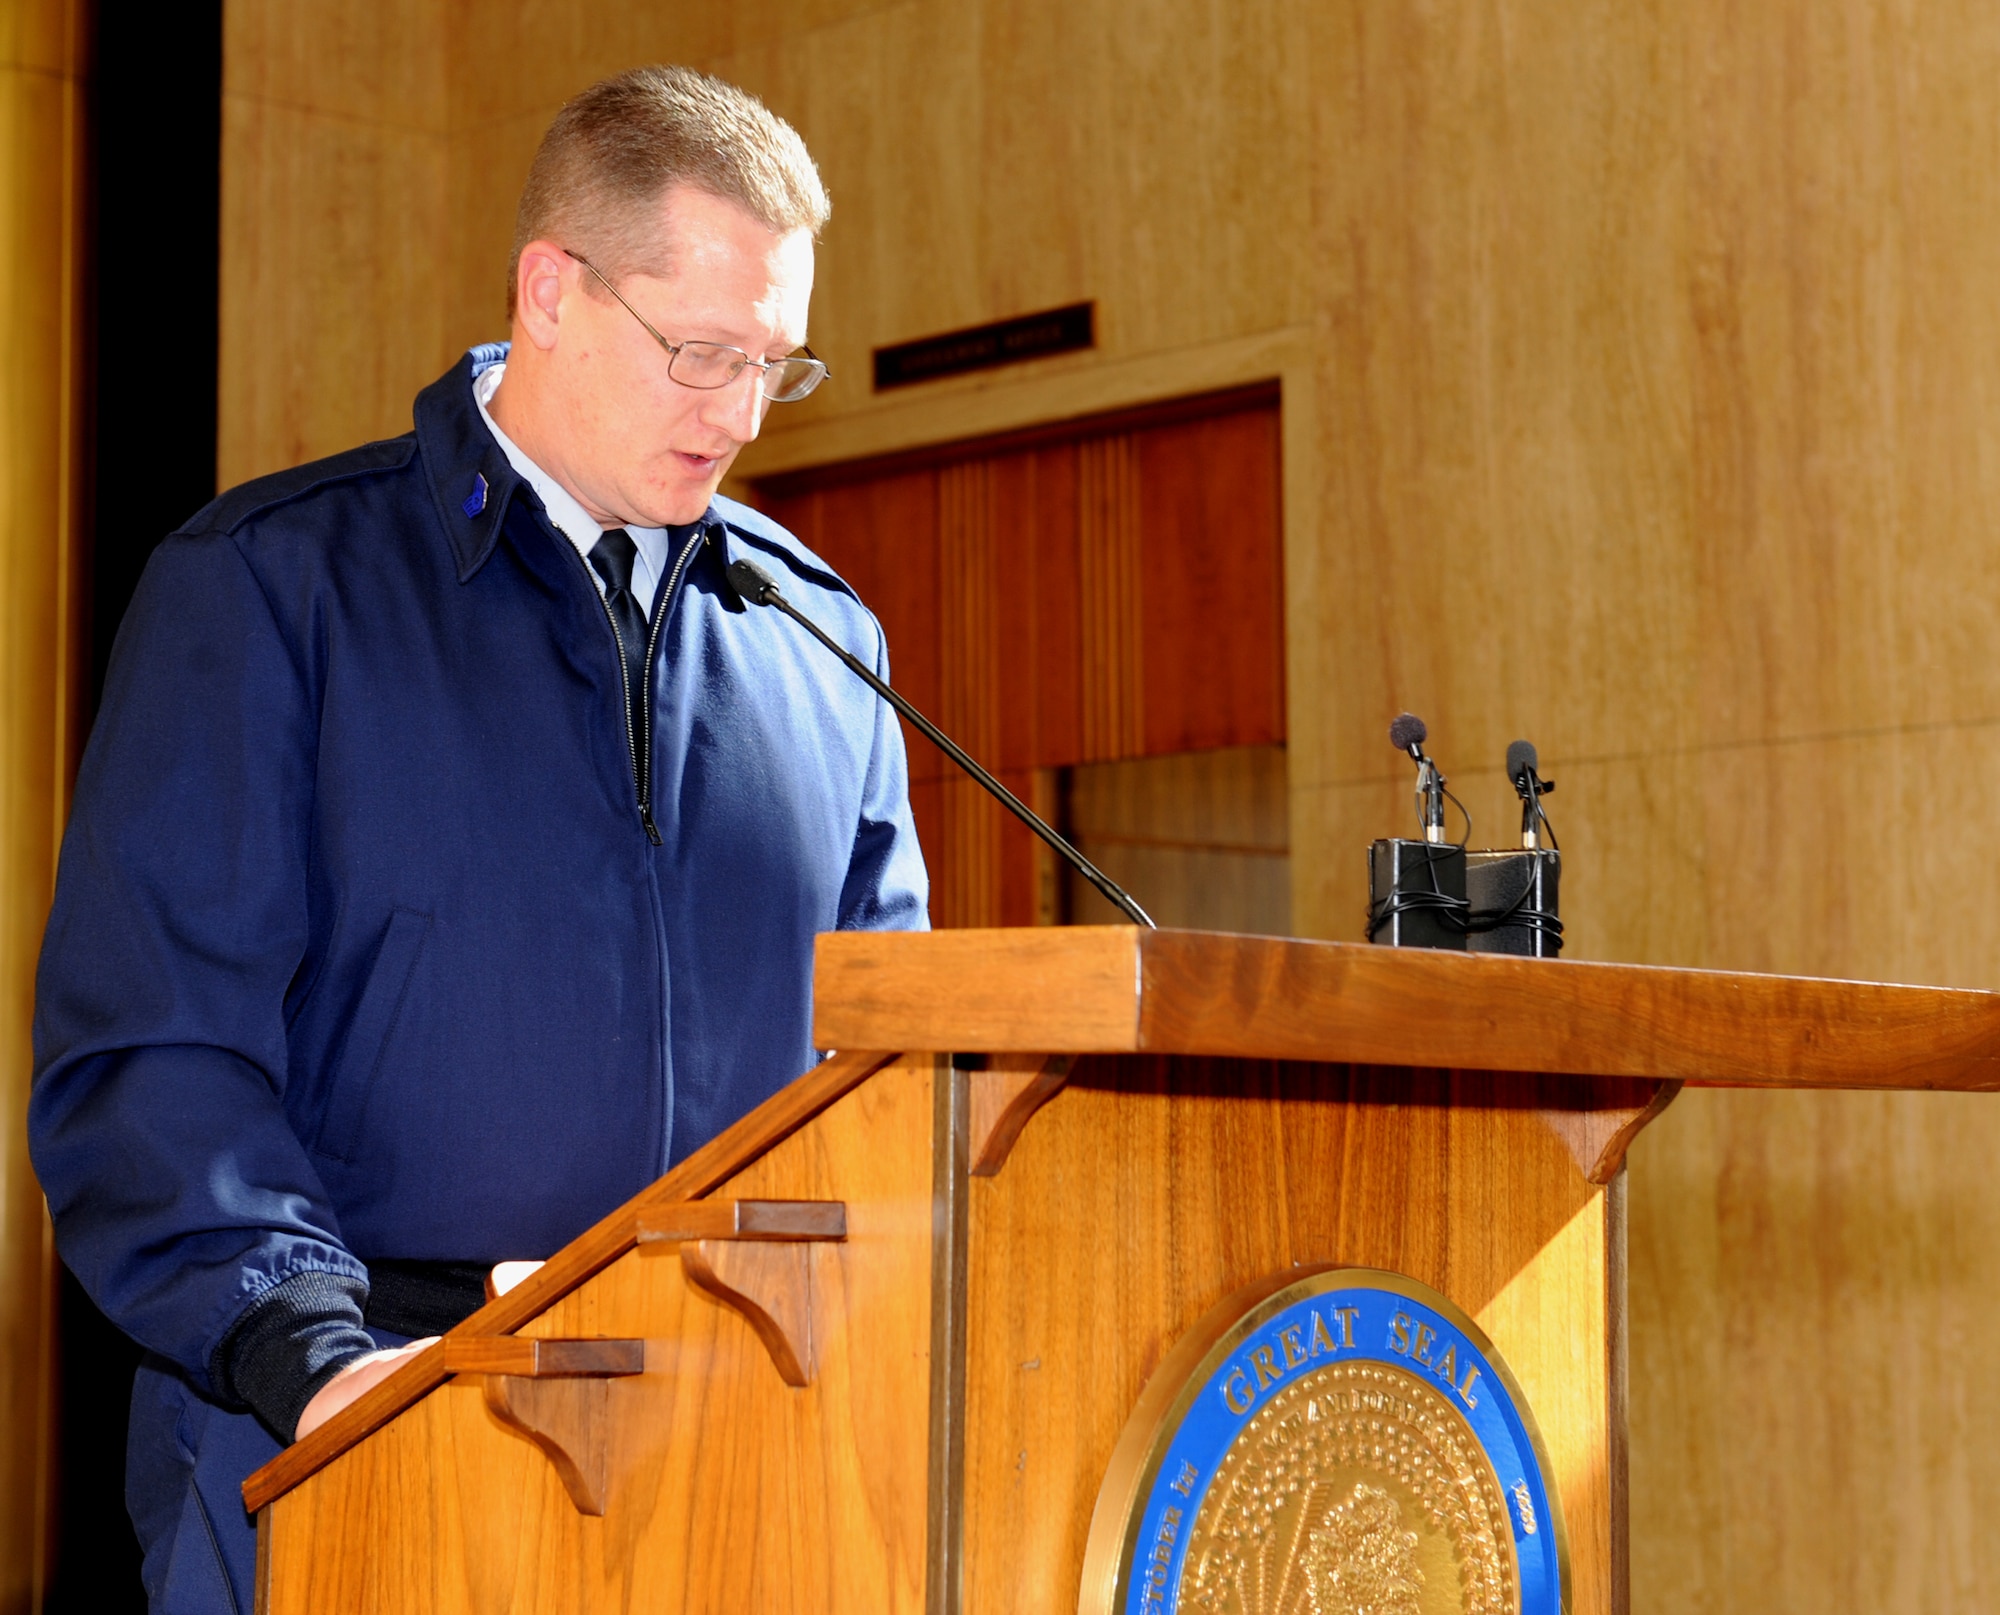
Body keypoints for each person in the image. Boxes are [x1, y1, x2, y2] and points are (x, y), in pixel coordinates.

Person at [29, 65, 927, 1615]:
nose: (737, 415)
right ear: (553, 292)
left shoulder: (820, 641)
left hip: (727, 1467)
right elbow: (151, 1060)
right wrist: (317, 1361)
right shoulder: (271, 594)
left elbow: (887, 1074)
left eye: (776, 365)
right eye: (700, 353)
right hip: (344, 1438)